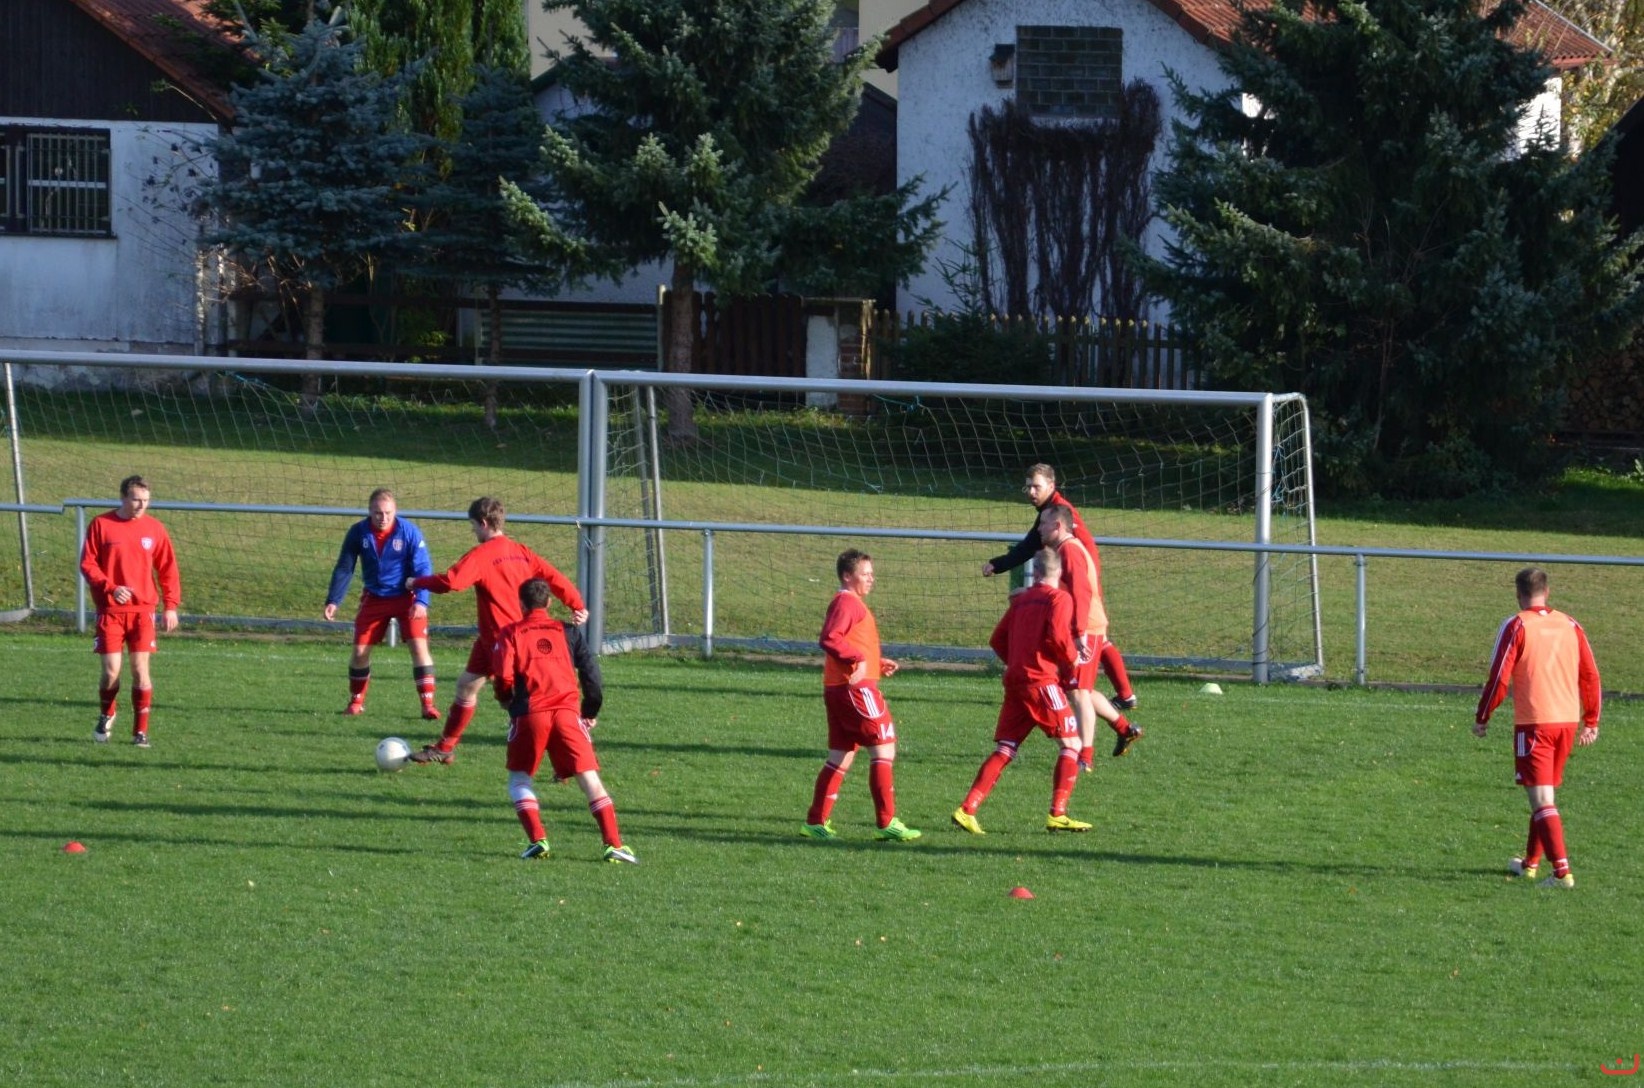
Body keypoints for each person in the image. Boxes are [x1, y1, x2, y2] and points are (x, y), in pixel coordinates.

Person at [403, 497, 588, 764]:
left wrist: (416, 582)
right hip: (494, 639)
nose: (473, 532)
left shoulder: (482, 555)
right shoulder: (520, 551)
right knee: (467, 686)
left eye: (473, 526)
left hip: (506, 642)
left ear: (483, 523)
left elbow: (452, 582)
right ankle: (445, 748)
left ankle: (566, 761)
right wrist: (577, 604)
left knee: (525, 705)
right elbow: (553, 577)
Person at [1474, 567, 1601, 889]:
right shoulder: (1570, 624)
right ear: (1547, 591)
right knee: (1545, 794)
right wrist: (1592, 719)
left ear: (1518, 594)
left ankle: (1561, 873)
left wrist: (1483, 716)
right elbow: (1590, 674)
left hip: (1535, 723)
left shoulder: (1517, 624)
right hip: (1566, 722)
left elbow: (1499, 677)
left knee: (1542, 799)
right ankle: (1530, 865)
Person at [493, 578, 636, 863]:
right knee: (589, 779)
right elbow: (592, 675)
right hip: (568, 714)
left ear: (521, 604)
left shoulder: (511, 632)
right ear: (548, 602)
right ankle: (614, 845)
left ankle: (538, 840)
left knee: (519, 779)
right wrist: (589, 712)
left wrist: (507, 701)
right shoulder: (569, 631)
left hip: (530, 714)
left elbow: (503, 676)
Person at [952, 547, 1092, 835]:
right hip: (1041, 681)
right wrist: (1072, 660)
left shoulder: (1021, 600)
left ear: (1035, 572)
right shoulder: (1060, 598)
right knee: (1072, 744)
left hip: (1016, 681)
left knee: (1005, 747)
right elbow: (1058, 637)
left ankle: (967, 809)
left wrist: (1017, 661)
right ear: (1060, 572)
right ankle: (1058, 814)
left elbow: (997, 639)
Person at [982, 463, 1137, 710]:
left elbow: (1042, 548)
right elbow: (1031, 544)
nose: (1031, 492)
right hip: (1073, 581)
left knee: (1080, 685)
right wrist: (999, 564)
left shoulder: (1058, 514)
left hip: (1079, 582)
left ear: (1051, 486)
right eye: (1028, 487)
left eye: (1036, 487)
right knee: (1095, 644)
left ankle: (1053, 684)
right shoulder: (1049, 511)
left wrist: (999, 564)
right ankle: (1124, 697)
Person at [803, 549, 921, 842]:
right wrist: (859, 659)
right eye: (865, 574)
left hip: (838, 688)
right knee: (884, 749)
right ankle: (886, 822)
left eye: (871, 574)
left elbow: (848, 641)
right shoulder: (847, 602)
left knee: (840, 756)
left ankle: (815, 822)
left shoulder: (848, 603)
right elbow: (830, 638)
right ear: (847, 576)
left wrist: (875, 662)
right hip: (855, 689)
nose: (871, 579)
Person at [78, 474, 180, 747]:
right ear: (123, 497)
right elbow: (88, 564)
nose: (141, 505)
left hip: (143, 610)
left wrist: (170, 606)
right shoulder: (101, 525)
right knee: (111, 672)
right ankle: (107, 713)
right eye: (136, 499)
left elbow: (168, 569)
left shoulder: (155, 528)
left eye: (146, 500)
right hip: (110, 610)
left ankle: (140, 732)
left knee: (139, 670)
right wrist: (110, 588)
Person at [1039, 503, 1142, 768]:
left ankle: (1084, 757)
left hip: (1086, 629)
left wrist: (1079, 632)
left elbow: (1081, 592)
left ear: (1057, 526)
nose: (1039, 528)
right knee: (1076, 689)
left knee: (1078, 692)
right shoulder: (1064, 548)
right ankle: (1125, 729)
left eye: (1043, 524)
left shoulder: (1070, 550)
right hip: (1080, 628)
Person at [322, 488, 440, 720]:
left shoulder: (409, 532)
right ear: (370, 511)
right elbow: (345, 567)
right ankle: (356, 702)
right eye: (378, 513)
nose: (383, 518)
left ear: (395, 511)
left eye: (388, 513)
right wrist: (334, 599)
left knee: (419, 648)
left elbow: (423, 568)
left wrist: (422, 600)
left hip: (407, 598)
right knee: (359, 652)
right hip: (374, 597)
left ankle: (428, 705)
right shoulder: (358, 532)